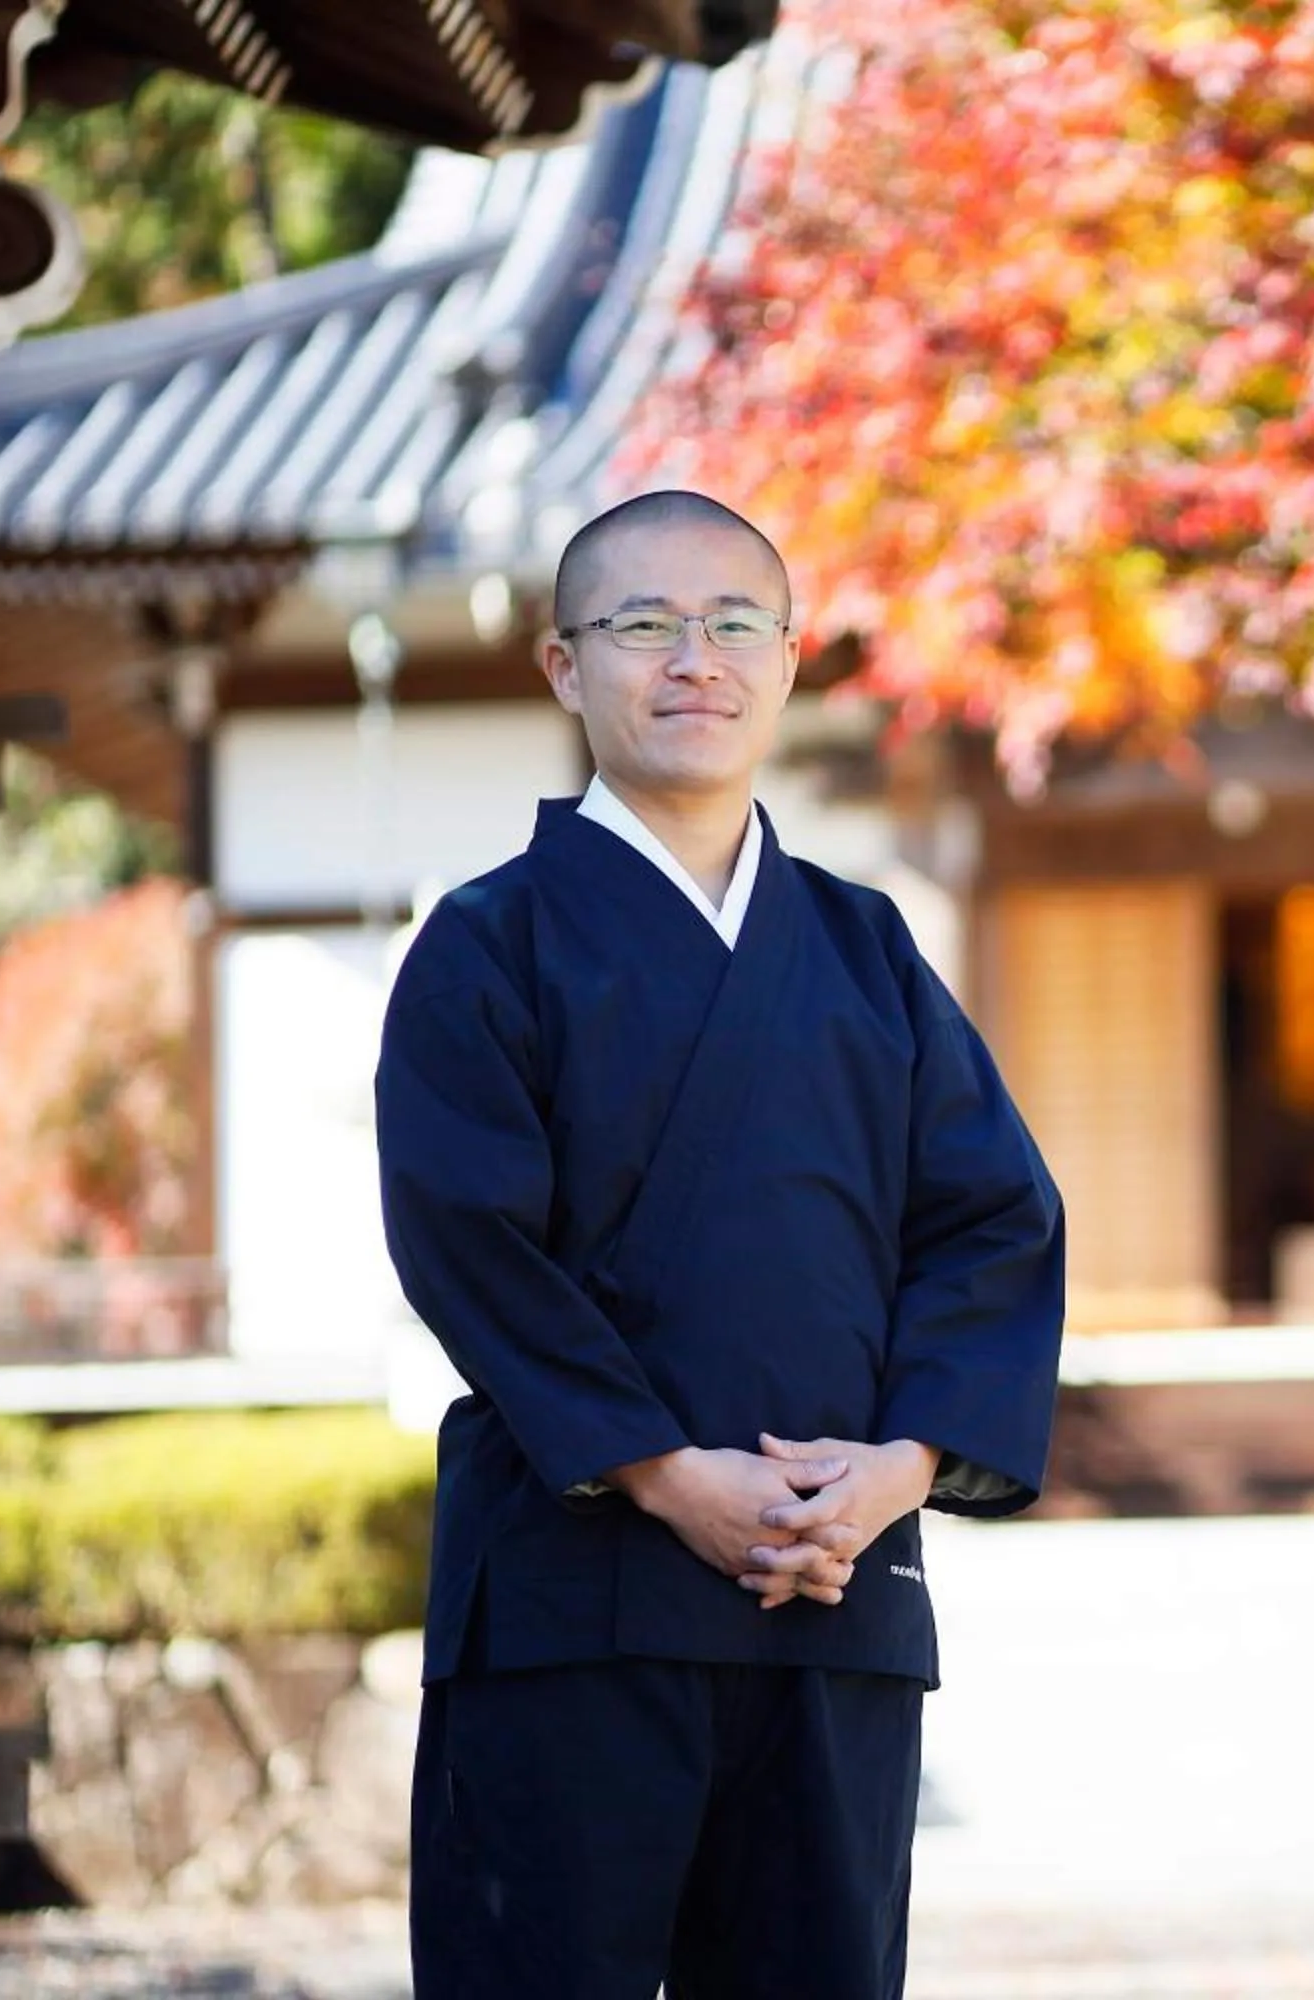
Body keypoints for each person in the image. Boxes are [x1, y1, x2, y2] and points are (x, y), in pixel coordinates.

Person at [373, 489, 1065, 2000]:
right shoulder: (488, 944)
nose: (697, 659)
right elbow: (468, 1244)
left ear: (790, 660)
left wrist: (897, 1471)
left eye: (735, 623)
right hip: (573, 1593)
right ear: (566, 668)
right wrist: (665, 1476)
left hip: (830, 1590)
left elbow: (992, 1223)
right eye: (645, 624)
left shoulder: (865, 945)